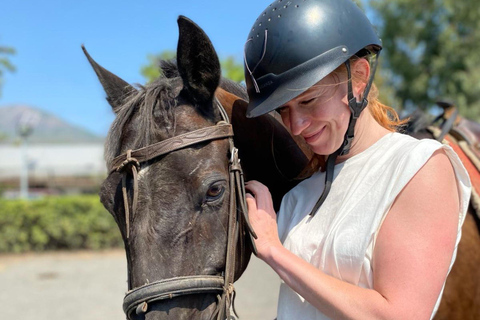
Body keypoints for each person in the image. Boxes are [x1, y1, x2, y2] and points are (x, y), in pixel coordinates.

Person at [242, 0, 471, 319]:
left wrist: (274, 251)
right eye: (284, 109)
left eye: (307, 100)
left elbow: (398, 315)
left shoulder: (419, 167)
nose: (295, 125)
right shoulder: (299, 197)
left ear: (359, 78)